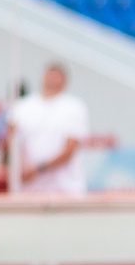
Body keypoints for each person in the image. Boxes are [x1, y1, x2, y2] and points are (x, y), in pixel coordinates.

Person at [9, 62, 89, 196]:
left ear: (65, 81)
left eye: (57, 77)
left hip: (65, 190)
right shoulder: (22, 107)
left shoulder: (74, 107)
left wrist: (38, 169)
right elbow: (10, 143)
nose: (52, 81)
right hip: (30, 190)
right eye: (50, 76)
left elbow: (69, 149)